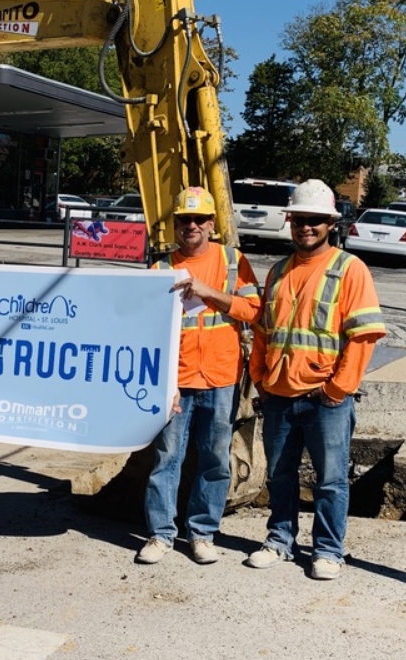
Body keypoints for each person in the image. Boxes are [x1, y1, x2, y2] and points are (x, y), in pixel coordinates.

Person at [246, 179, 386, 580]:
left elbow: (364, 336)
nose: (305, 227)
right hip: (278, 396)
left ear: (330, 224)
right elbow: (262, 331)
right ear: (289, 222)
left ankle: (327, 551)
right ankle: (279, 540)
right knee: (280, 475)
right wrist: (260, 379)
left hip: (324, 399)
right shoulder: (278, 271)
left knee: (331, 480)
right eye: (299, 220)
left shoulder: (349, 269)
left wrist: (336, 389)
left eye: (314, 220)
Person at [136, 187, 261, 565]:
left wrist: (209, 292)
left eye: (198, 220)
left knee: (214, 459)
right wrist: (163, 384)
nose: (191, 226)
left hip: (221, 377)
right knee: (167, 458)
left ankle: (202, 533)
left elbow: (253, 311)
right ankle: (160, 535)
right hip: (177, 380)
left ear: (211, 224)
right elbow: (148, 332)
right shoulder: (159, 270)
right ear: (175, 225)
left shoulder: (233, 261)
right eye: (183, 220)